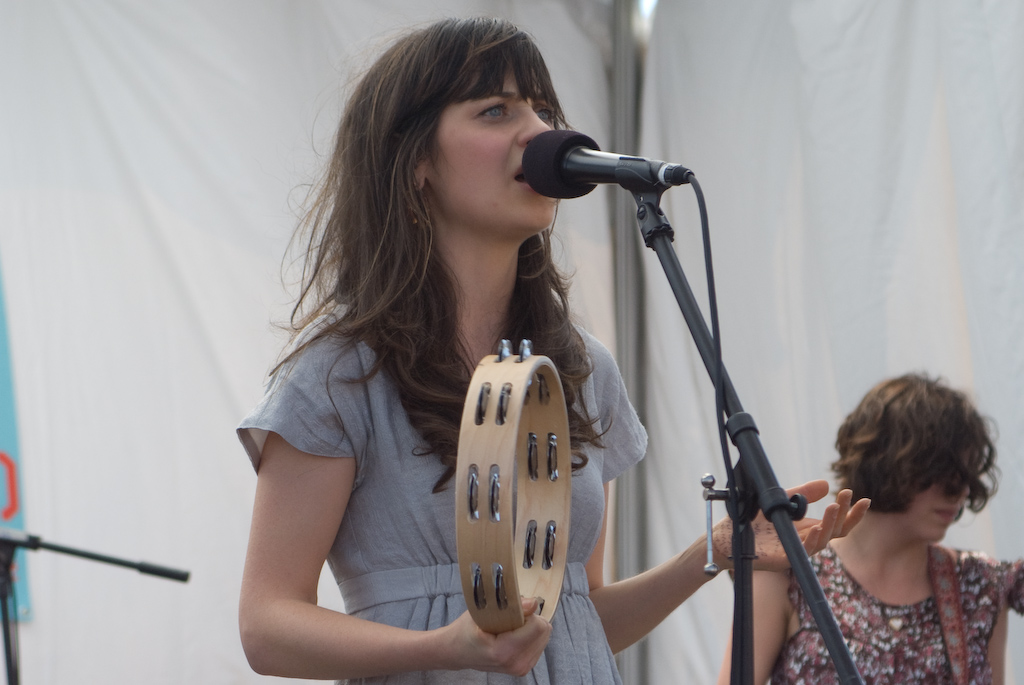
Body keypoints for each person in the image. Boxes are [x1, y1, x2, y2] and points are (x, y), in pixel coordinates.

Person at [236, 17, 868, 684]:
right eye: (496, 110)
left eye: (543, 109)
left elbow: (577, 616)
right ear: (415, 160)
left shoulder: (582, 368)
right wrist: (443, 647)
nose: (540, 132)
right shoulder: (339, 375)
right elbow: (266, 625)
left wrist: (710, 555)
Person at [717, 373, 1024, 685]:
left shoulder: (980, 585)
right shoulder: (788, 573)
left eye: (967, 475)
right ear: (888, 461)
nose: (961, 491)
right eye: (943, 471)